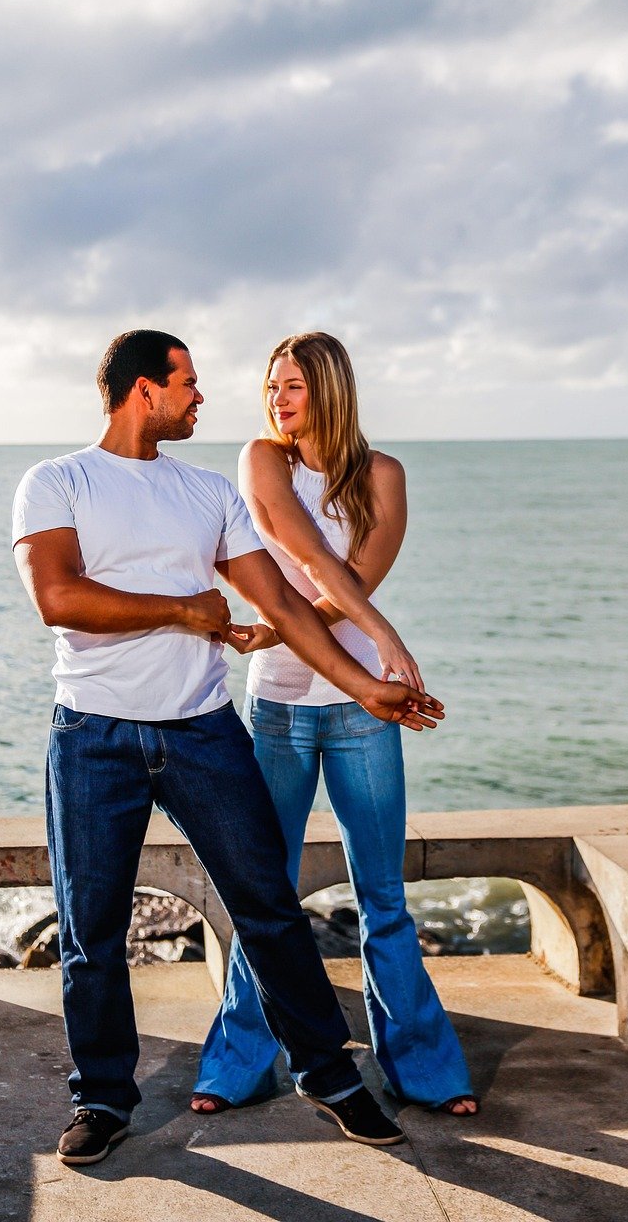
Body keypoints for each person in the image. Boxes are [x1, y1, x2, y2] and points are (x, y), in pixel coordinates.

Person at [12, 329, 445, 1168]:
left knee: (269, 909)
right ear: (143, 391)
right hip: (92, 734)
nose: (202, 397)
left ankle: (328, 1076)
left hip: (204, 730)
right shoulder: (56, 482)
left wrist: (364, 686)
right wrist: (182, 610)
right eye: (187, 384)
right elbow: (58, 597)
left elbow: (281, 601)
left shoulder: (205, 491)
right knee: (90, 931)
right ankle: (101, 1099)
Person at [191, 331, 476, 1119]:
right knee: (266, 892)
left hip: (361, 711)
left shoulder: (384, 475)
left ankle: (421, 1065)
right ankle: (241, 1059)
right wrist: (378, 637)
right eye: (271, 386)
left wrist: (291, 628)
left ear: (330, 390)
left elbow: (348, 580)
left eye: (293, 387)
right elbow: (304, 551)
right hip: (278, 706)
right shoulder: (263, 460)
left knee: (382, 894)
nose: (277, 400)